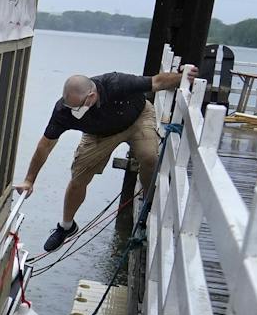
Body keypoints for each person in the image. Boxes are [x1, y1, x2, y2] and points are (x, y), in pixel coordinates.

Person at [15, 64, 196, 251]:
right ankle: (66, 227)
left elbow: (156, 81)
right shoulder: (64, 111)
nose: (73, 111)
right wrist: (29, 180)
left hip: (136, 119)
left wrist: (183, 77)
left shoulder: (116, 83)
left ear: (91, 96)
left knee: (149, 157)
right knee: (78, 178)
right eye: (70, 107)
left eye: (78, 107)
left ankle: (148, 204)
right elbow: (45, 145)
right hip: (98, 134)